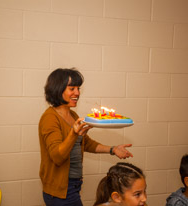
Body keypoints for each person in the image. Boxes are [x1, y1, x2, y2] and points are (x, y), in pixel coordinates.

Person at [38, 68, 133, 206]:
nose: (77, 93)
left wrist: (113, 149)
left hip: (74, 186)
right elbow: (57, 156)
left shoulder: (73, 116)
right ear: (58, 89)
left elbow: (86, 143)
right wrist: (73, 134)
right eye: (72, 88)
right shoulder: (50, 118)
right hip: (60, 192)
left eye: (78, 88)